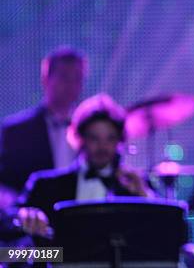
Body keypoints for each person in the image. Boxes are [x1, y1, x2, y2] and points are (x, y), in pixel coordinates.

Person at [15, 93, 154, 239]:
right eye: (94, 138)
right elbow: (7, 230)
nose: (102, 146)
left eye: (110, 138)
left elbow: (170, 232)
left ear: (120, 141)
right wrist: (24, 216)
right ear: (79, 139)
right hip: (59, 259)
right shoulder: (45, 186)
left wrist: (144, 195)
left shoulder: (135, 186)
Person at [0, 47, 87, 195]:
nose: (71, 85)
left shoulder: (89, 130)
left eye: (77, 78)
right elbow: (5, 185)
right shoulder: (16, 132)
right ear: (45, 79)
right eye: (64, 77)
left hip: (80, 216)